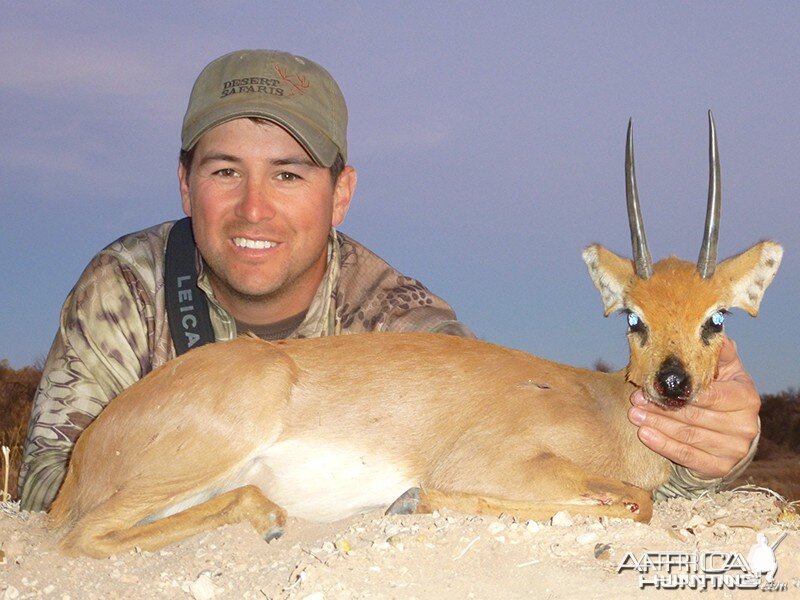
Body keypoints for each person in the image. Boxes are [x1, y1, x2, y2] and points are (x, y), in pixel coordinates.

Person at [19, 49, 761, 513]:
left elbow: (507, 446)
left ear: (340, 193)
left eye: (288, 173)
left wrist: (706, 454)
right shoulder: (124, 287)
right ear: (184, 186)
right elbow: (50, 485)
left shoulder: (399, 314)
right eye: (224, 171)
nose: (253, 208)